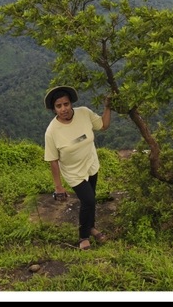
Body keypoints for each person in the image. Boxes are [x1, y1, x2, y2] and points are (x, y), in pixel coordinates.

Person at [43, 85, 111, 250]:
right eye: (59, 106)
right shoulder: (52, 132)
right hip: (73, 172)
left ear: (71, 103)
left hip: (90, 164)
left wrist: (108, 107)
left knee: (92, 198)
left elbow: (103, 125)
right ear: (54, 109)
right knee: (88, 200)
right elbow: (53, 160)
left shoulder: (84, 113)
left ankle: (92, 227)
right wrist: (58, 186)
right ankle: (83, 237)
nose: (63, 109)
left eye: (66, 104)